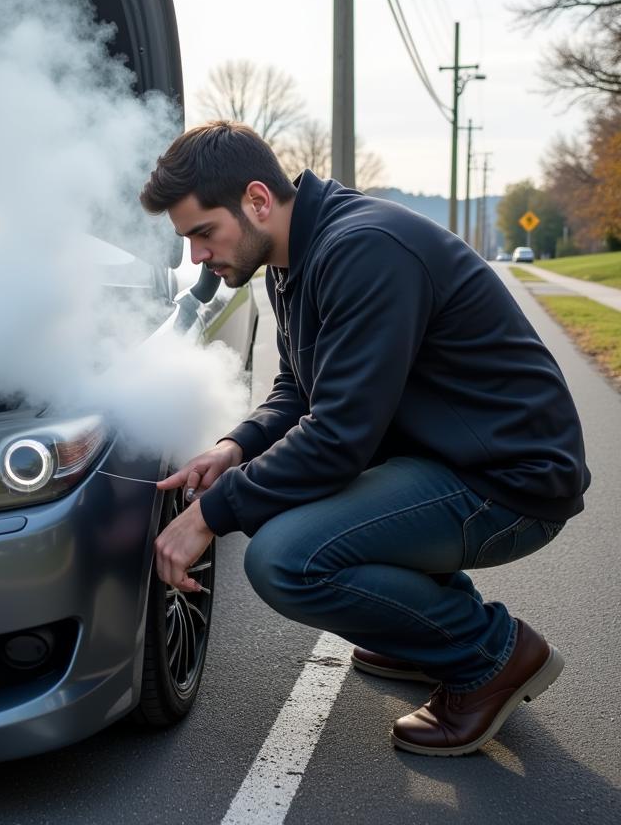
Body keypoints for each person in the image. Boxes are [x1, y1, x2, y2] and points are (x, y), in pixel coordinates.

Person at [138, 120, 590, 756]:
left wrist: (209, 516)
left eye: (202, 233)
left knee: (283, 558)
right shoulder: (289, 260)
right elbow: (299, 393)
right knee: (286, 507)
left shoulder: (365, 250)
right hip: (446, 459)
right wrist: (235, 447)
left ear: (257, 200)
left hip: (508, 482)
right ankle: (424, 627)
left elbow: (339, 436)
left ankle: (492, 657)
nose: (196, 257)